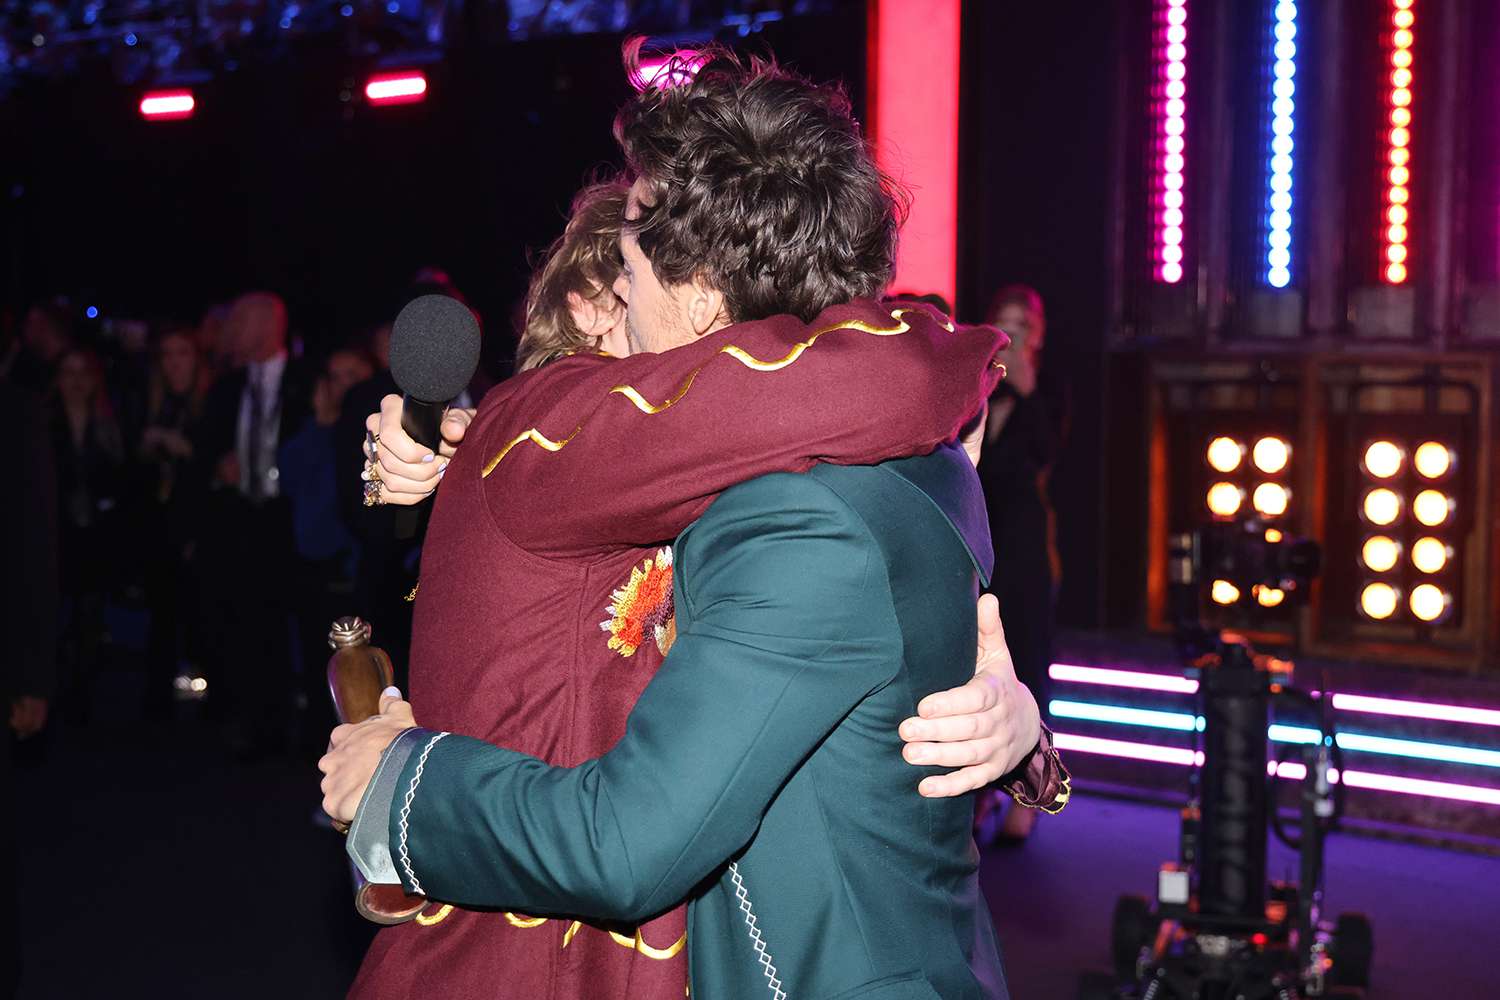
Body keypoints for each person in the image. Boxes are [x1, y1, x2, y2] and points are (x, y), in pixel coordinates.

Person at [322, 45, 1063, 1000]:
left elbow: (629, 842)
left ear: (706, 292)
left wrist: (403, 779)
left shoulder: (802, 512)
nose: (619, 288)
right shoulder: (915, 458)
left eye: (627, 259)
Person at [193, 291, 311, 755]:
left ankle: (295, 725)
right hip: (243, 519)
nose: (229, 332)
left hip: (290, 519)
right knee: (248, 622)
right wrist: (219, 464)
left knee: (292, 624)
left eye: (239, 323)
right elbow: (207, 448)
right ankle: (256, 723)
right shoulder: (227, 387)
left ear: (265, 327)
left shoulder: (304, 380)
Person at [974, 284, 1068, 844]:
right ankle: (984, 792)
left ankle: (1029, 798)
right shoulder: (977, 384)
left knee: (1030, 670)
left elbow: (1046, 453)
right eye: (1006, 324)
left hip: (1028, 549)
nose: (1015, 337)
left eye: (1024, 327)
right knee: (978, 668)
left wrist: (1027, 388)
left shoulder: (1047, 389)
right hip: (981, 544)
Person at [136, 329, 212, 721]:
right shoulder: (154, 404)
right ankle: (158, 705)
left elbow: (214, 470)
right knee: (162, 617)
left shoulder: (209, 405)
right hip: (159, 531)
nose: (173, 363)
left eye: (182, 352)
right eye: (166, 355)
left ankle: (206, 703)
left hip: (199, 531)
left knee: (201, 619)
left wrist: (187, 450)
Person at [49, 347, 125, 724]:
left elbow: (118, 478)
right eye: (68, 372)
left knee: (89, 614)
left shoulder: (107, 426)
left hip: (96, 536)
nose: (76, 381)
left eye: (83, 372)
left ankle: (82, 694)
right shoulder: (45, 424)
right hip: (55, 535)